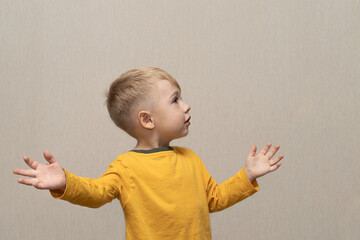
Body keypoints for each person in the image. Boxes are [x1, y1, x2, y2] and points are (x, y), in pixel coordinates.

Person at [13, 67, 284, 240]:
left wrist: (247, 175)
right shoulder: (126, 167)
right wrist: (65, 182)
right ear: (147, 120)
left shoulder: (190, 159)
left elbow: (214, 199)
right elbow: (96, 193)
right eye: (175, 100)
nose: (186, 106)